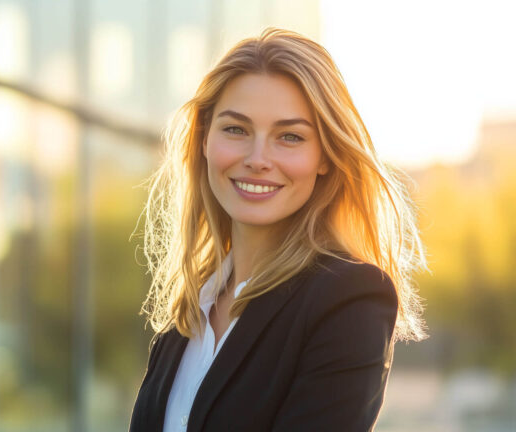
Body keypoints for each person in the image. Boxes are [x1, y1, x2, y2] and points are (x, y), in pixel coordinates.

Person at [129, 28, 428, 432]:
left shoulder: (349, 299)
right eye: (236, 129)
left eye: (289, 137)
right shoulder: (190, 310)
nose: (258, 159)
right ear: (203, 140)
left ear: (325, 156)